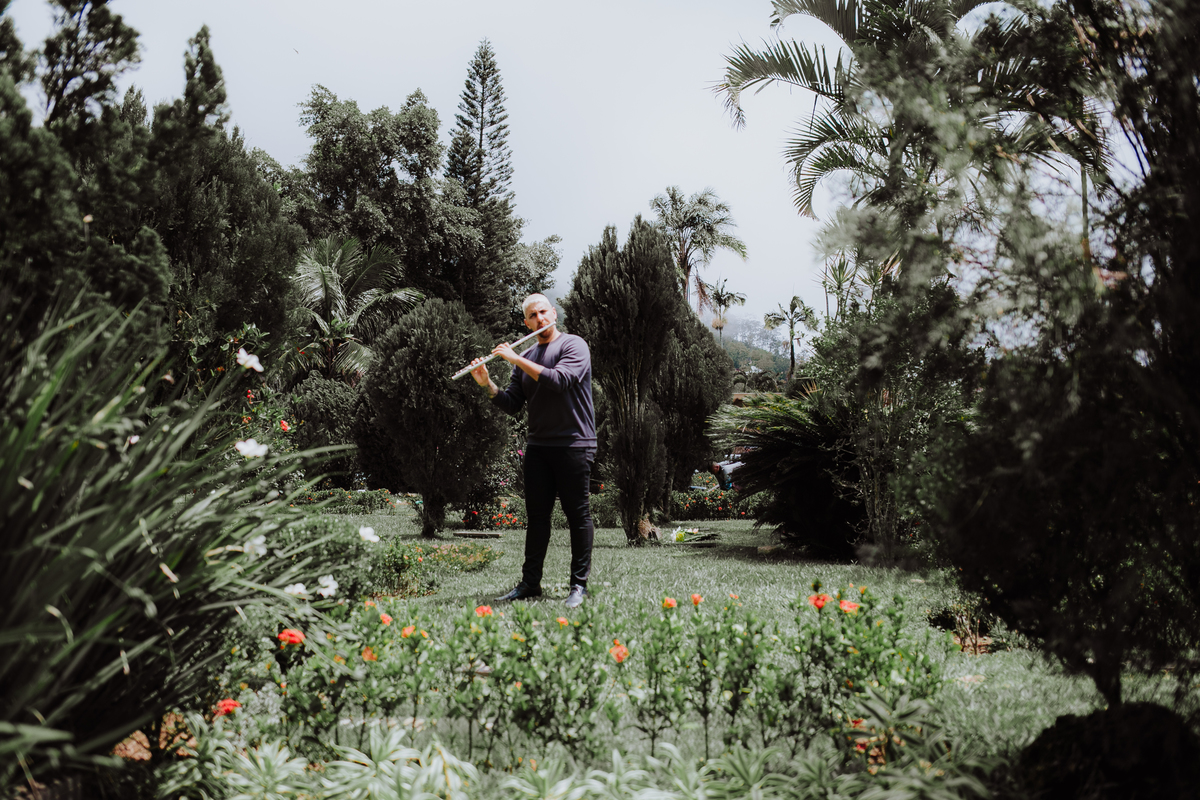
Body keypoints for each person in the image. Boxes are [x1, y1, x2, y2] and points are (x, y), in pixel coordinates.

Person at [469, 294, 596, 609]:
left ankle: (578, 586)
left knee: (578, 514)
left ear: (553, 313)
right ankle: (530, 584)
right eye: (532, 315)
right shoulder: (525, 355)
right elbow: (513, 403)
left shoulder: (574, 346)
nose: (539, 319)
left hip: (574, 443)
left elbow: (560, 380)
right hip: (539, 446)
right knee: (537, 518)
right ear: (526, 323)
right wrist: (488, 385)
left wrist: (515, 359)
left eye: (543, 312)